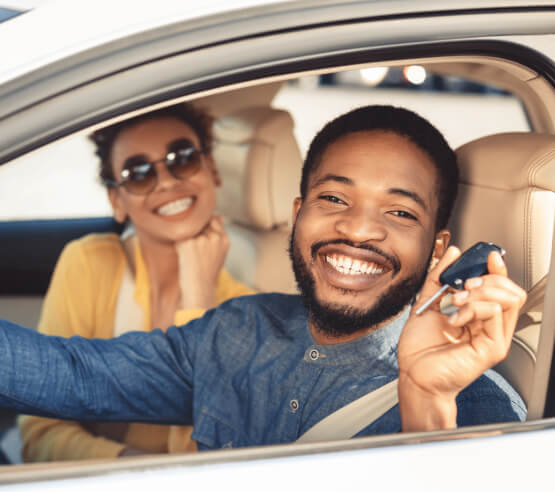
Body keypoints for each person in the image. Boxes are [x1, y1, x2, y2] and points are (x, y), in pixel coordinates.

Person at [1, 105, 527, 450]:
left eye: (400, 213)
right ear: (298, 214)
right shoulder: (237, 329)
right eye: (335, 199)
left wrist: (426, 403)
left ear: (438, 247)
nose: (358, 229)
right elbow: (73, 375)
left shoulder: (474, 399)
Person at [18, 103, 252, 461]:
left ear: (213, 171)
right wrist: (130, 467)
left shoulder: (247, 312)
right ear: (117, 201)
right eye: (140, 173)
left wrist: (199, 302)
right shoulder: (88, 263)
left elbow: (209, 461)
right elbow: (40, 433)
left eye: (183, 157)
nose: (168, 182)